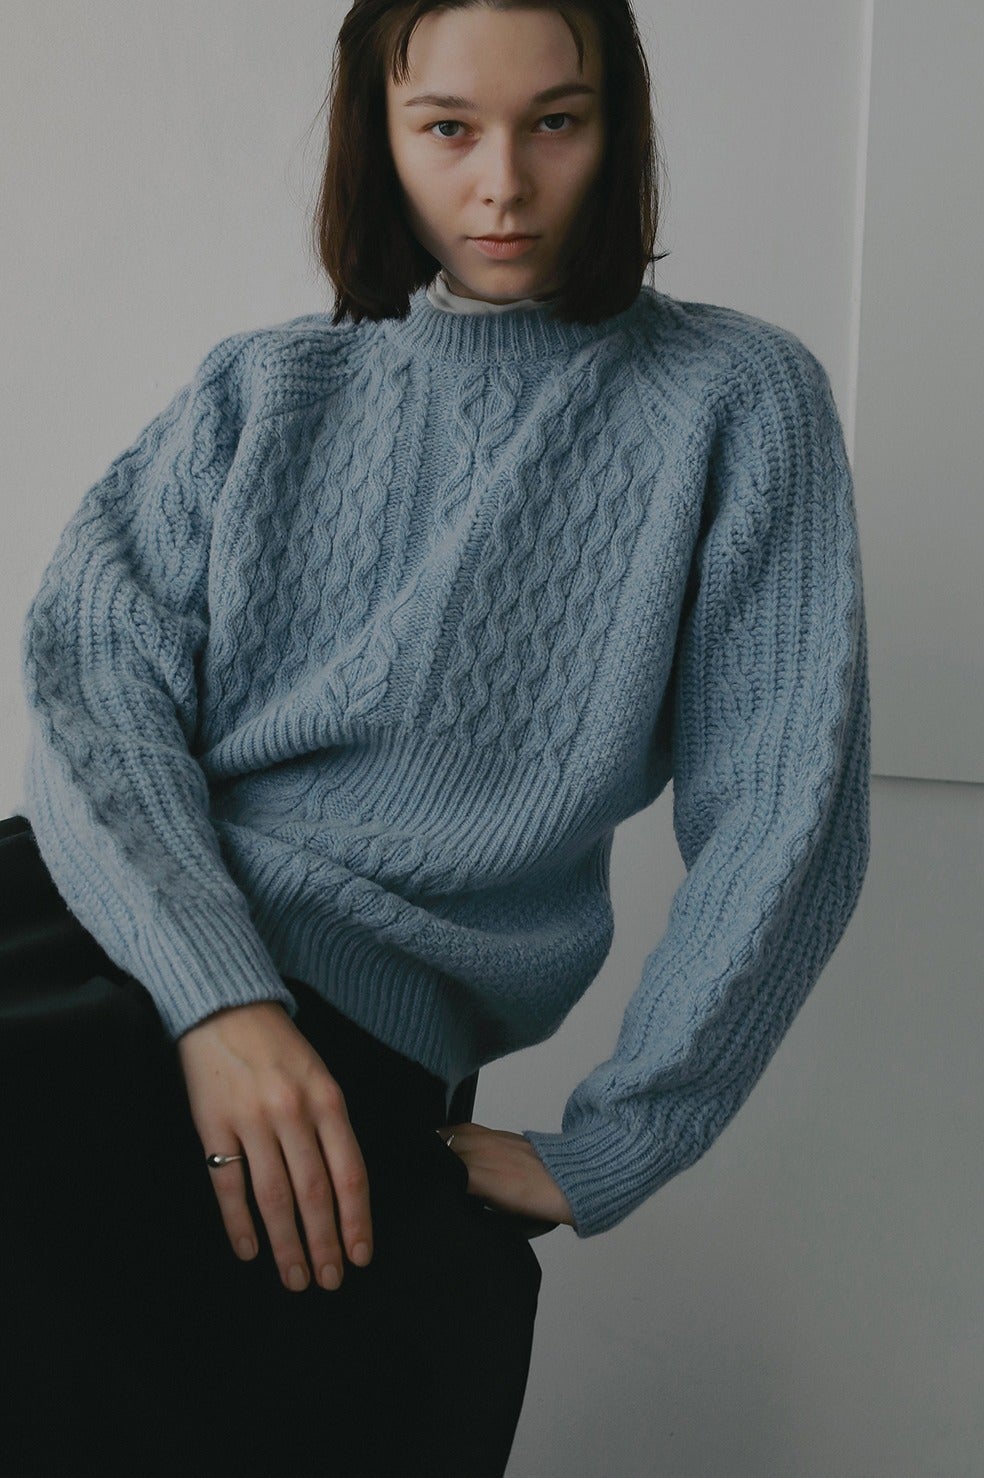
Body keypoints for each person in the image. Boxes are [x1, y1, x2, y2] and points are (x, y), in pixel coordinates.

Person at [12, 0, 871, 1472]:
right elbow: (91, 682)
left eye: (557, 122)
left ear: (619, 127)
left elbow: (790, 806)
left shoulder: (735, 398)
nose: (502, 185)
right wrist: (221, 1004)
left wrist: (618, 1141)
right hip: (101, 941)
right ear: (380, 134)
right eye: (448, 128)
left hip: (359, 1034)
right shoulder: (261, 386)